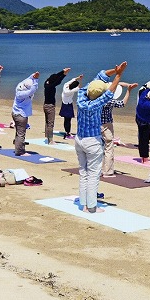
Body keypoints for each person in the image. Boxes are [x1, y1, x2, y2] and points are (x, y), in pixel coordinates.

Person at [75, 62, 127, 213]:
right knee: (93, 174)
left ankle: (84, 204)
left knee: (83, 172)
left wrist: (115, 71)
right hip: (92, 142)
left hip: (79, 140)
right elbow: (110, 93)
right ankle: (91, 207)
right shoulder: (96, 104)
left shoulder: (81, 95)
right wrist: (118, 75)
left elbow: (99, 77)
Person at [101, 81, 138, 176]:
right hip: (107, 125)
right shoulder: (109, 101)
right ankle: (107, 171)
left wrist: (126, 85)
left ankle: (98, 170)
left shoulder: (97, 99)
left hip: (95, 125)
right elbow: (122, 103)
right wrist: (129, 91)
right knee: (108, 148)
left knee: (99, 148)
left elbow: (116, 83)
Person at [12, 72, 40, 156]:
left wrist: (32, 76)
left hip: (15, 112)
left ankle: (18, 148)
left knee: (18, 132)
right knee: (21, 133)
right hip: (21, 115)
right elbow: (34, 88)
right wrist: (36, 80)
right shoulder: (25, 93)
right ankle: (20, 151)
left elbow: (26, 80)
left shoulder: (19, 87)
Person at [43, 67, 70, 144]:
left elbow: (55, 78)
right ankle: (50, 140)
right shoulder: (51, 86)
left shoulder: (46, 83)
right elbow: (58, 81)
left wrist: (62, 72)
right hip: (50, 106)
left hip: (45, 105)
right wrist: (64, 75)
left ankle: (47, 136)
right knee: (50, 123)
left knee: (47, 122)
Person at [59, 74, 83, 139]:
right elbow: (79, 88)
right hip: (68, 105)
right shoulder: (70, 91)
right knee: (68, 120)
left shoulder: (65, 85)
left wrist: (78, 78)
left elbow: (72, 80)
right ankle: (67, 134)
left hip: (64, 104)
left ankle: (67, 132)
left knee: (66, 120)